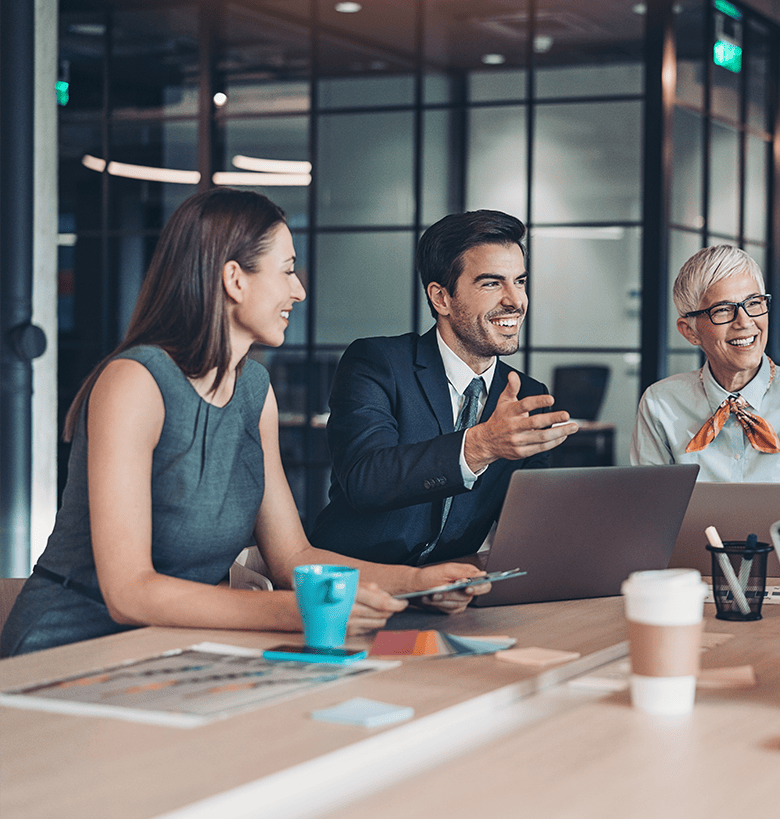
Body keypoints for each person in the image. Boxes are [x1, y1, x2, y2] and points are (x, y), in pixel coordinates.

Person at [1, 189, 490, 658]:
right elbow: (129, 592)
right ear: (235, 279)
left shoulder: (254, 390)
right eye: (287, 271)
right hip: (66, 650)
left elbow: (292, 556)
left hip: (168, 649)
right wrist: (291, 610)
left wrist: (417, 582)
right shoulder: (135, 381)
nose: (298, 291)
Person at [311, 209, 578, 567]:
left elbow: (526, 526)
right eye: (491, 283)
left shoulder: (526, 397)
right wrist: (481, 445)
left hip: (450, 593)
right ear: (441, 298)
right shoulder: (377, 362)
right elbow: (365, 479)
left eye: (520, 281)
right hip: (349, 586)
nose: (515, 300)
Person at [630, 244, 778, 481]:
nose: (744, 322)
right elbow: (650, 508)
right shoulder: (661, 404)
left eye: (753, 303)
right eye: (723, 310)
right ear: (690, 331)